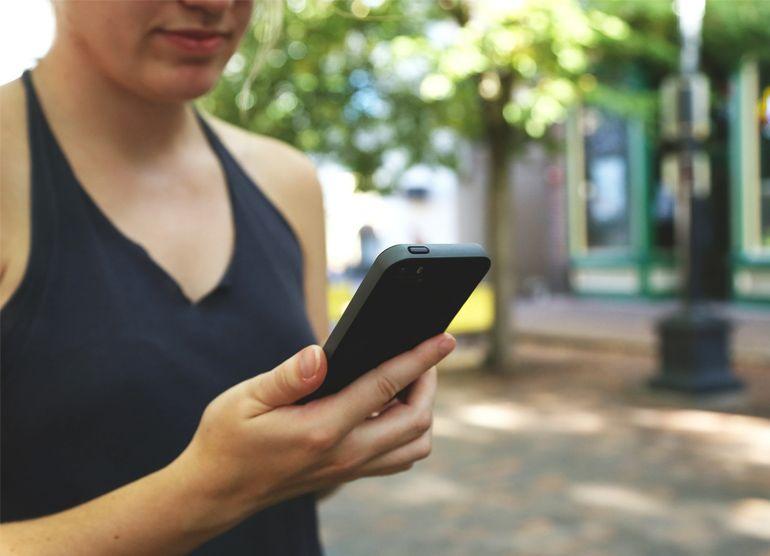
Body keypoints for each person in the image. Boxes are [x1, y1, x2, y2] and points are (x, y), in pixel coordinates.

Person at [0, 1, 456, 554]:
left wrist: (340, 439)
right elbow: (236, 489)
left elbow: (290, 486)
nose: (214, 4)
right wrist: (204, 493)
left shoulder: (285, 180)